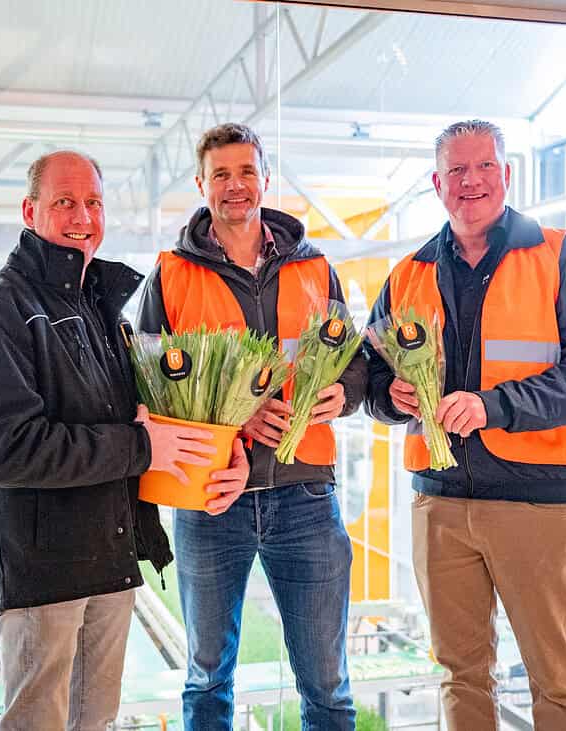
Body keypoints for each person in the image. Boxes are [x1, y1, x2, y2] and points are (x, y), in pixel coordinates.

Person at [0, 150, 249, 731]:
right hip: (45, 572)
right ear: (30, 210)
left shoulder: (99, 309)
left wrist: (219, 458)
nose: (82, 215)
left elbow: (143, 421)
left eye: (92, 202)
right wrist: (142, 449)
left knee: (97, 722)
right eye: (64, 201)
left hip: (109, 561)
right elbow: (9, 451)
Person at [365, 120, 566, 731]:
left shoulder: (561, 255)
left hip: (534, 501)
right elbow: (369, 378)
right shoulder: (408, 273)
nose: (471, 180)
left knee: (556, 679)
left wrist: (495, 406)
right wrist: (391, 396)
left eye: (484, 166)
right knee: (460, 675)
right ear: (437, 183)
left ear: (506, 174)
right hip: (440, 505)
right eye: (456, 170)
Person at [138, 122, 364, 730]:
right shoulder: (171, 275)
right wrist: (236, 413)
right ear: (201, 184)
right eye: (220, 174)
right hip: (210, 500)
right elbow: (151, 388)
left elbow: (357, 361)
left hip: (306, 496)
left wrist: (342, 393)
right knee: (208, 678)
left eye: (246, 172)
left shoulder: (316, 268)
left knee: (327, 683)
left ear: (265, 180)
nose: (234, 186)